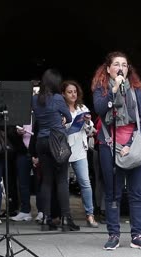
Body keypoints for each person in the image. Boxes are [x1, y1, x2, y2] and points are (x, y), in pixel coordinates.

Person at [92, 51, 141, 250]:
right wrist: (114, 89)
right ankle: (113, 234)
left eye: (124, 65)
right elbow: (101, 109)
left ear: (128, 69)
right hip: (109, 145)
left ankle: (138, 235)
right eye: (116, 64)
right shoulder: (101, 90)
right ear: (108, 69)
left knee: (136, 192)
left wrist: (132, 143)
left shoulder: (137, 91)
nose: (121, 67)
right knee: (112, 193)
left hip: (133, 145)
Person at [32, 68, 80, 232]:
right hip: (57, 140)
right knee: (61, 180)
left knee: (46, 180)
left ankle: (46, 218)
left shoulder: (35, 99)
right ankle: (66, 219)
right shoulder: (58, 98)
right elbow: (68, 115)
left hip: (41, 141)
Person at [62, 80, 98, 228]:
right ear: (63, 94)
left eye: (75, 91)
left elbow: (91, 133)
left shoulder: (82, 108)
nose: (73, 94)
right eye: (69, 92)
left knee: (85, 183)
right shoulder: (60, 108)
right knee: (63, 184)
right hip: (63, 150)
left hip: (79, 150)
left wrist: (88, 123)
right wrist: (63, 123)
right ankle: (65, 215)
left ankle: (90, 215)